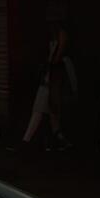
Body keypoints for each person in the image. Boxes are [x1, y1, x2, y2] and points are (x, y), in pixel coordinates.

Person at [22, 24, 77, 152]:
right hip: (52, 78)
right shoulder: (55, 36)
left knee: (41, 108)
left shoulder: (60, 36)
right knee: (51, 113)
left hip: (55, 78)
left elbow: (56, 58)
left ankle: (27, 140)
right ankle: (59, 140)